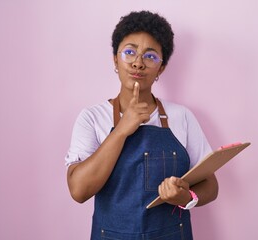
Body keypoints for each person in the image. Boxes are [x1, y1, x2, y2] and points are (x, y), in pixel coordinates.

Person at [65, 10, 218, 240]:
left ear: (161, 68)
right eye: (129, 52)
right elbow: (79, 190)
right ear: (115, 59)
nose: (138, 63)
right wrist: (122, 130)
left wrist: (186, 198)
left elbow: (210, 185)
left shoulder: (182, 117)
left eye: (150, 56)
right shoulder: (92, 118)